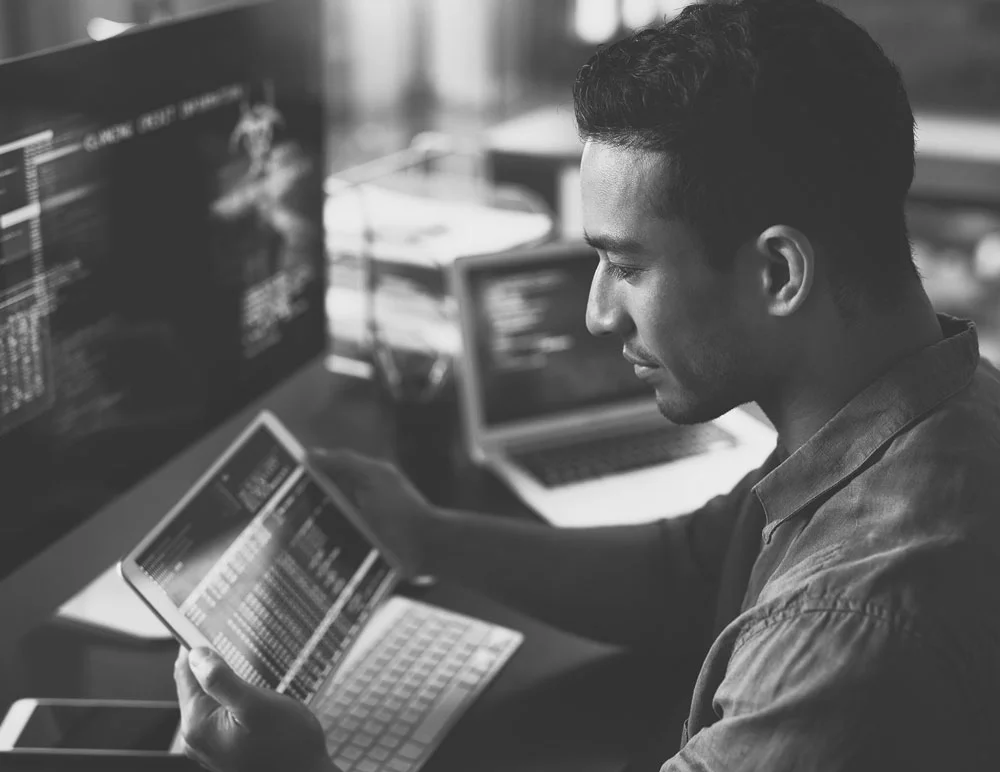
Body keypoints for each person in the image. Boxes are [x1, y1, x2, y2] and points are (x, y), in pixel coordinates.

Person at [174, 0, 1000, 769]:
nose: (599, 313)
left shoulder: (850, 632)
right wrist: (425, 536)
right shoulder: (932, 401)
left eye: (627, 265)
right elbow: (690, 574)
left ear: (779, 272)